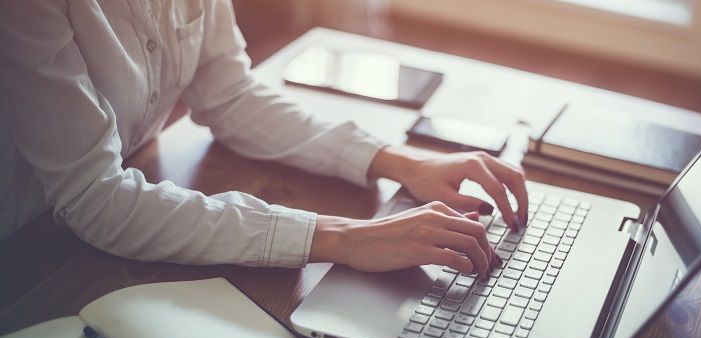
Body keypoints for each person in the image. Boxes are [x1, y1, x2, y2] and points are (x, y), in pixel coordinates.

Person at [0, 0, 527, 280]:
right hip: (24, 260)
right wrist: (343, 237)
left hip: (98, 234)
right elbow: (96, 197)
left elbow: (228, 93)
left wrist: (394, 160)